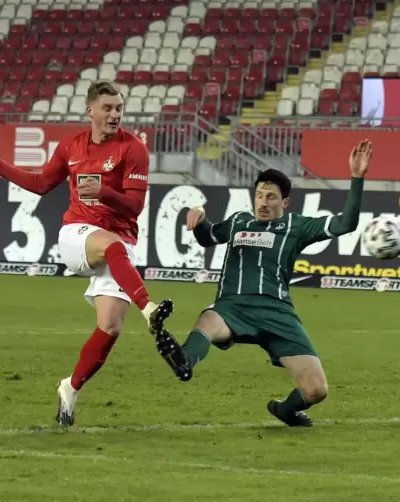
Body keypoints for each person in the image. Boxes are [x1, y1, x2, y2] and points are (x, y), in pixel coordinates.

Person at [0, 80, 174, 427]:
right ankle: (150, 309)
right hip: (76, 236)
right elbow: (40, 184)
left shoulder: (133, 148)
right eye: (108, 108)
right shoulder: (72, 146)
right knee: (111, 246)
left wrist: (104, 193)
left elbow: (136, 206)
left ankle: (70, 387)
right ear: (90, 111)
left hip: (118, 246)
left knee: (109, 327)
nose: (114, 114)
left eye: (119, 108)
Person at [153, 140, 372, 427]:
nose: (263, 202)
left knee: (316, 390)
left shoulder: (298, 227)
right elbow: (208, 237)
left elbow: (346, 224)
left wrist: (357, 178)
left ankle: (286, 410)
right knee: (207, 322)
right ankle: (184, 360)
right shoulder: (239, 222)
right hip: (233, 307)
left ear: (284, 202)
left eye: (270, 197)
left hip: (277, 313)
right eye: (259, 195)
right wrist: (200, 220)